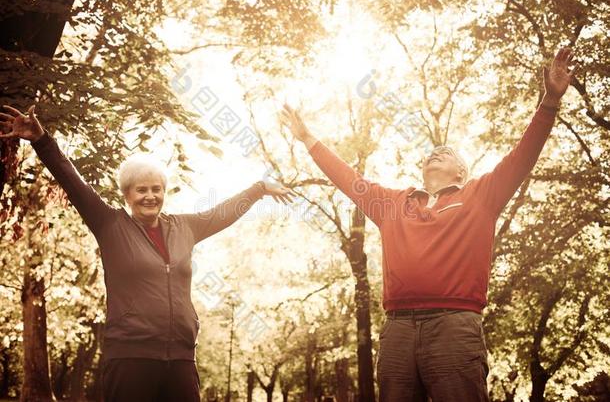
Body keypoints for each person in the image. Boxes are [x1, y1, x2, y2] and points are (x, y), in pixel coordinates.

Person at [279, 47, 576, 401]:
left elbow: (522, 157)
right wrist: (308, 138)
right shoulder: (392, 203)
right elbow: (347, 178)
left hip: (454, 325)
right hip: (398, 329)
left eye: (447, 153)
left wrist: (550, 102)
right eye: (432, 152)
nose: (436, 151)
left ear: (461, 172)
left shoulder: (480, 196)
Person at [0, 105, 294, 402]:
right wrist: (41, 140)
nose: (150, 196)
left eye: (156, 189)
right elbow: (73, 182)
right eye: (141, 190)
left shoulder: (185, 227)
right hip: (130, 359)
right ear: (127, 195)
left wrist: (260, 189)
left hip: (180, 359)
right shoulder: (110, 225)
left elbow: (222, 213)